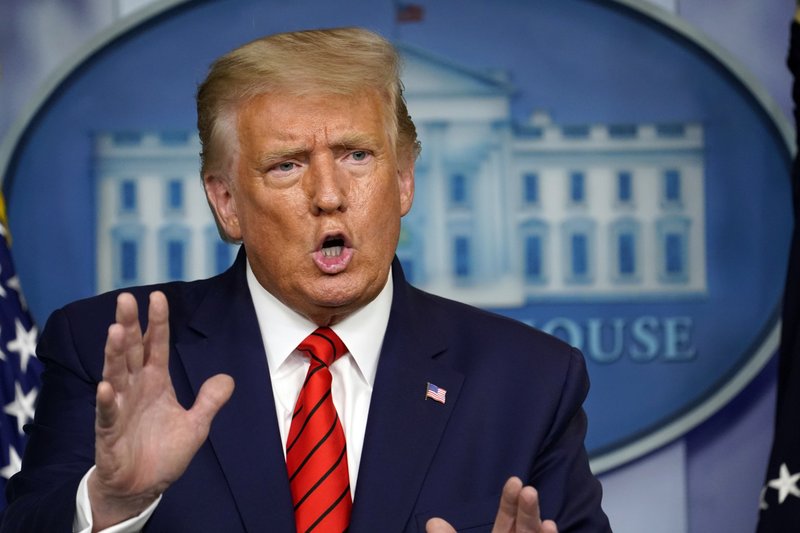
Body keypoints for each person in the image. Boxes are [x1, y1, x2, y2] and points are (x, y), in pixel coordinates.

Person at [1, 27, 610, 532]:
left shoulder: (530, 381)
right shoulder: (111, 352)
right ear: (226, 204)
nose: (328, 196)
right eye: (287, 165)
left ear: (403, 180)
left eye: (357, 155)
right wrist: (110, 506)